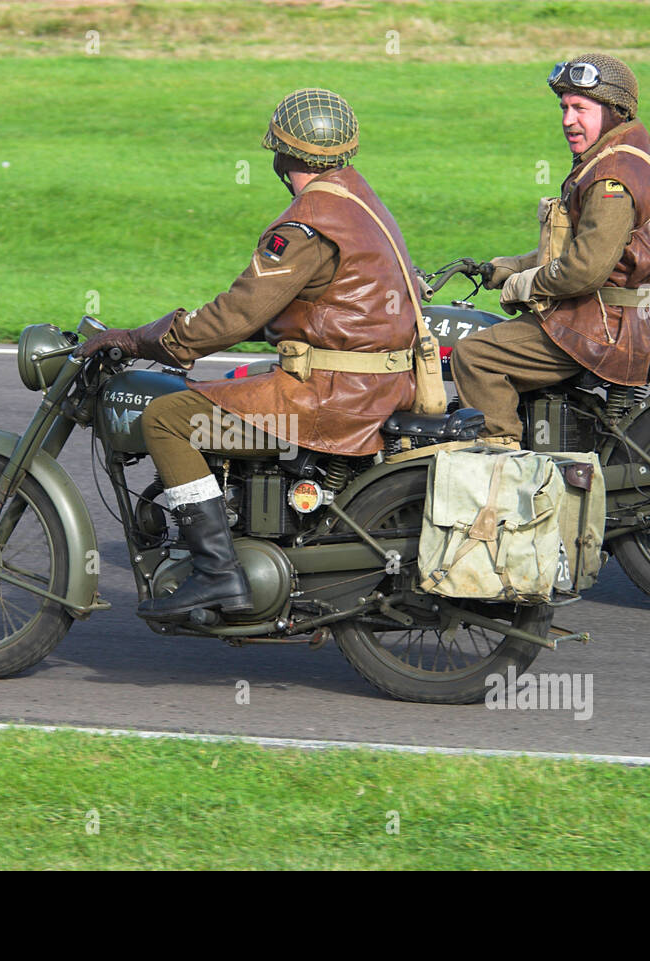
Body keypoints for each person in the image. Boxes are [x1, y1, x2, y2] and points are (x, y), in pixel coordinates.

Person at [79, 87, 420, 620]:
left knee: (169, 418)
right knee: (234, 391)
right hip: (377, 385)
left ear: (282, 155)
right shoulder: (361, 202)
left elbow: (236, 314)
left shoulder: (305, 225)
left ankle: (217, 574)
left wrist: (146, 339)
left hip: (331, 397)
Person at [452, 53, 650, 448]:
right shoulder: (634, 150)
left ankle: (501, 467)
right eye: (564, 107)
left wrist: (525, 284)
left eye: (580, 108)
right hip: (632, 319)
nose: (567, 120)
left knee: (476, 356)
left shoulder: (612, 174)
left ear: (615, 110)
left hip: (609, 327)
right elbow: (588, 248)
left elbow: (586, 269)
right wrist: (508, 268)